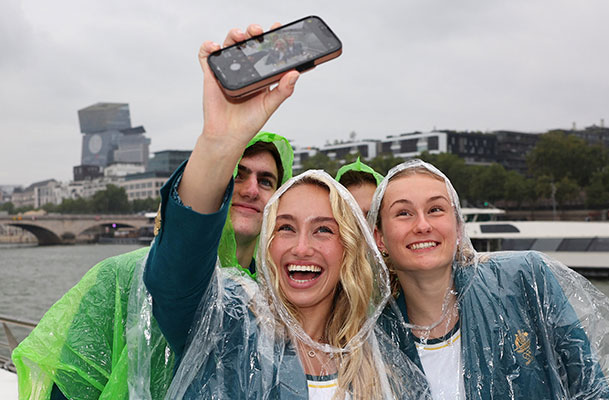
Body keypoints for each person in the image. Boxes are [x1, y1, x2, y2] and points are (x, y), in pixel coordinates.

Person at [142, 23, 429, 399]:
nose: (301, 248)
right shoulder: (225, 332)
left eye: (324, 230)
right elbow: (175, 272)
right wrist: (220, 141)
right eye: (286, 228)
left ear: (349, 250)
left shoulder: (387, 356)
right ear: (267, 245)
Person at [11, 131, 292, 400]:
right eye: (237, 175)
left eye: (266, 181)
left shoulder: (281, 296)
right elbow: (73, 387)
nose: (252, 189)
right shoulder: (123, 276)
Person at [369, 160, 609, 399]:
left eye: (435, 209)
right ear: (379, 238)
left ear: (458, 227)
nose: (422, 225)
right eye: (404, 213)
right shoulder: (373, 337)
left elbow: (592, 386)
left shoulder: (525, 280)